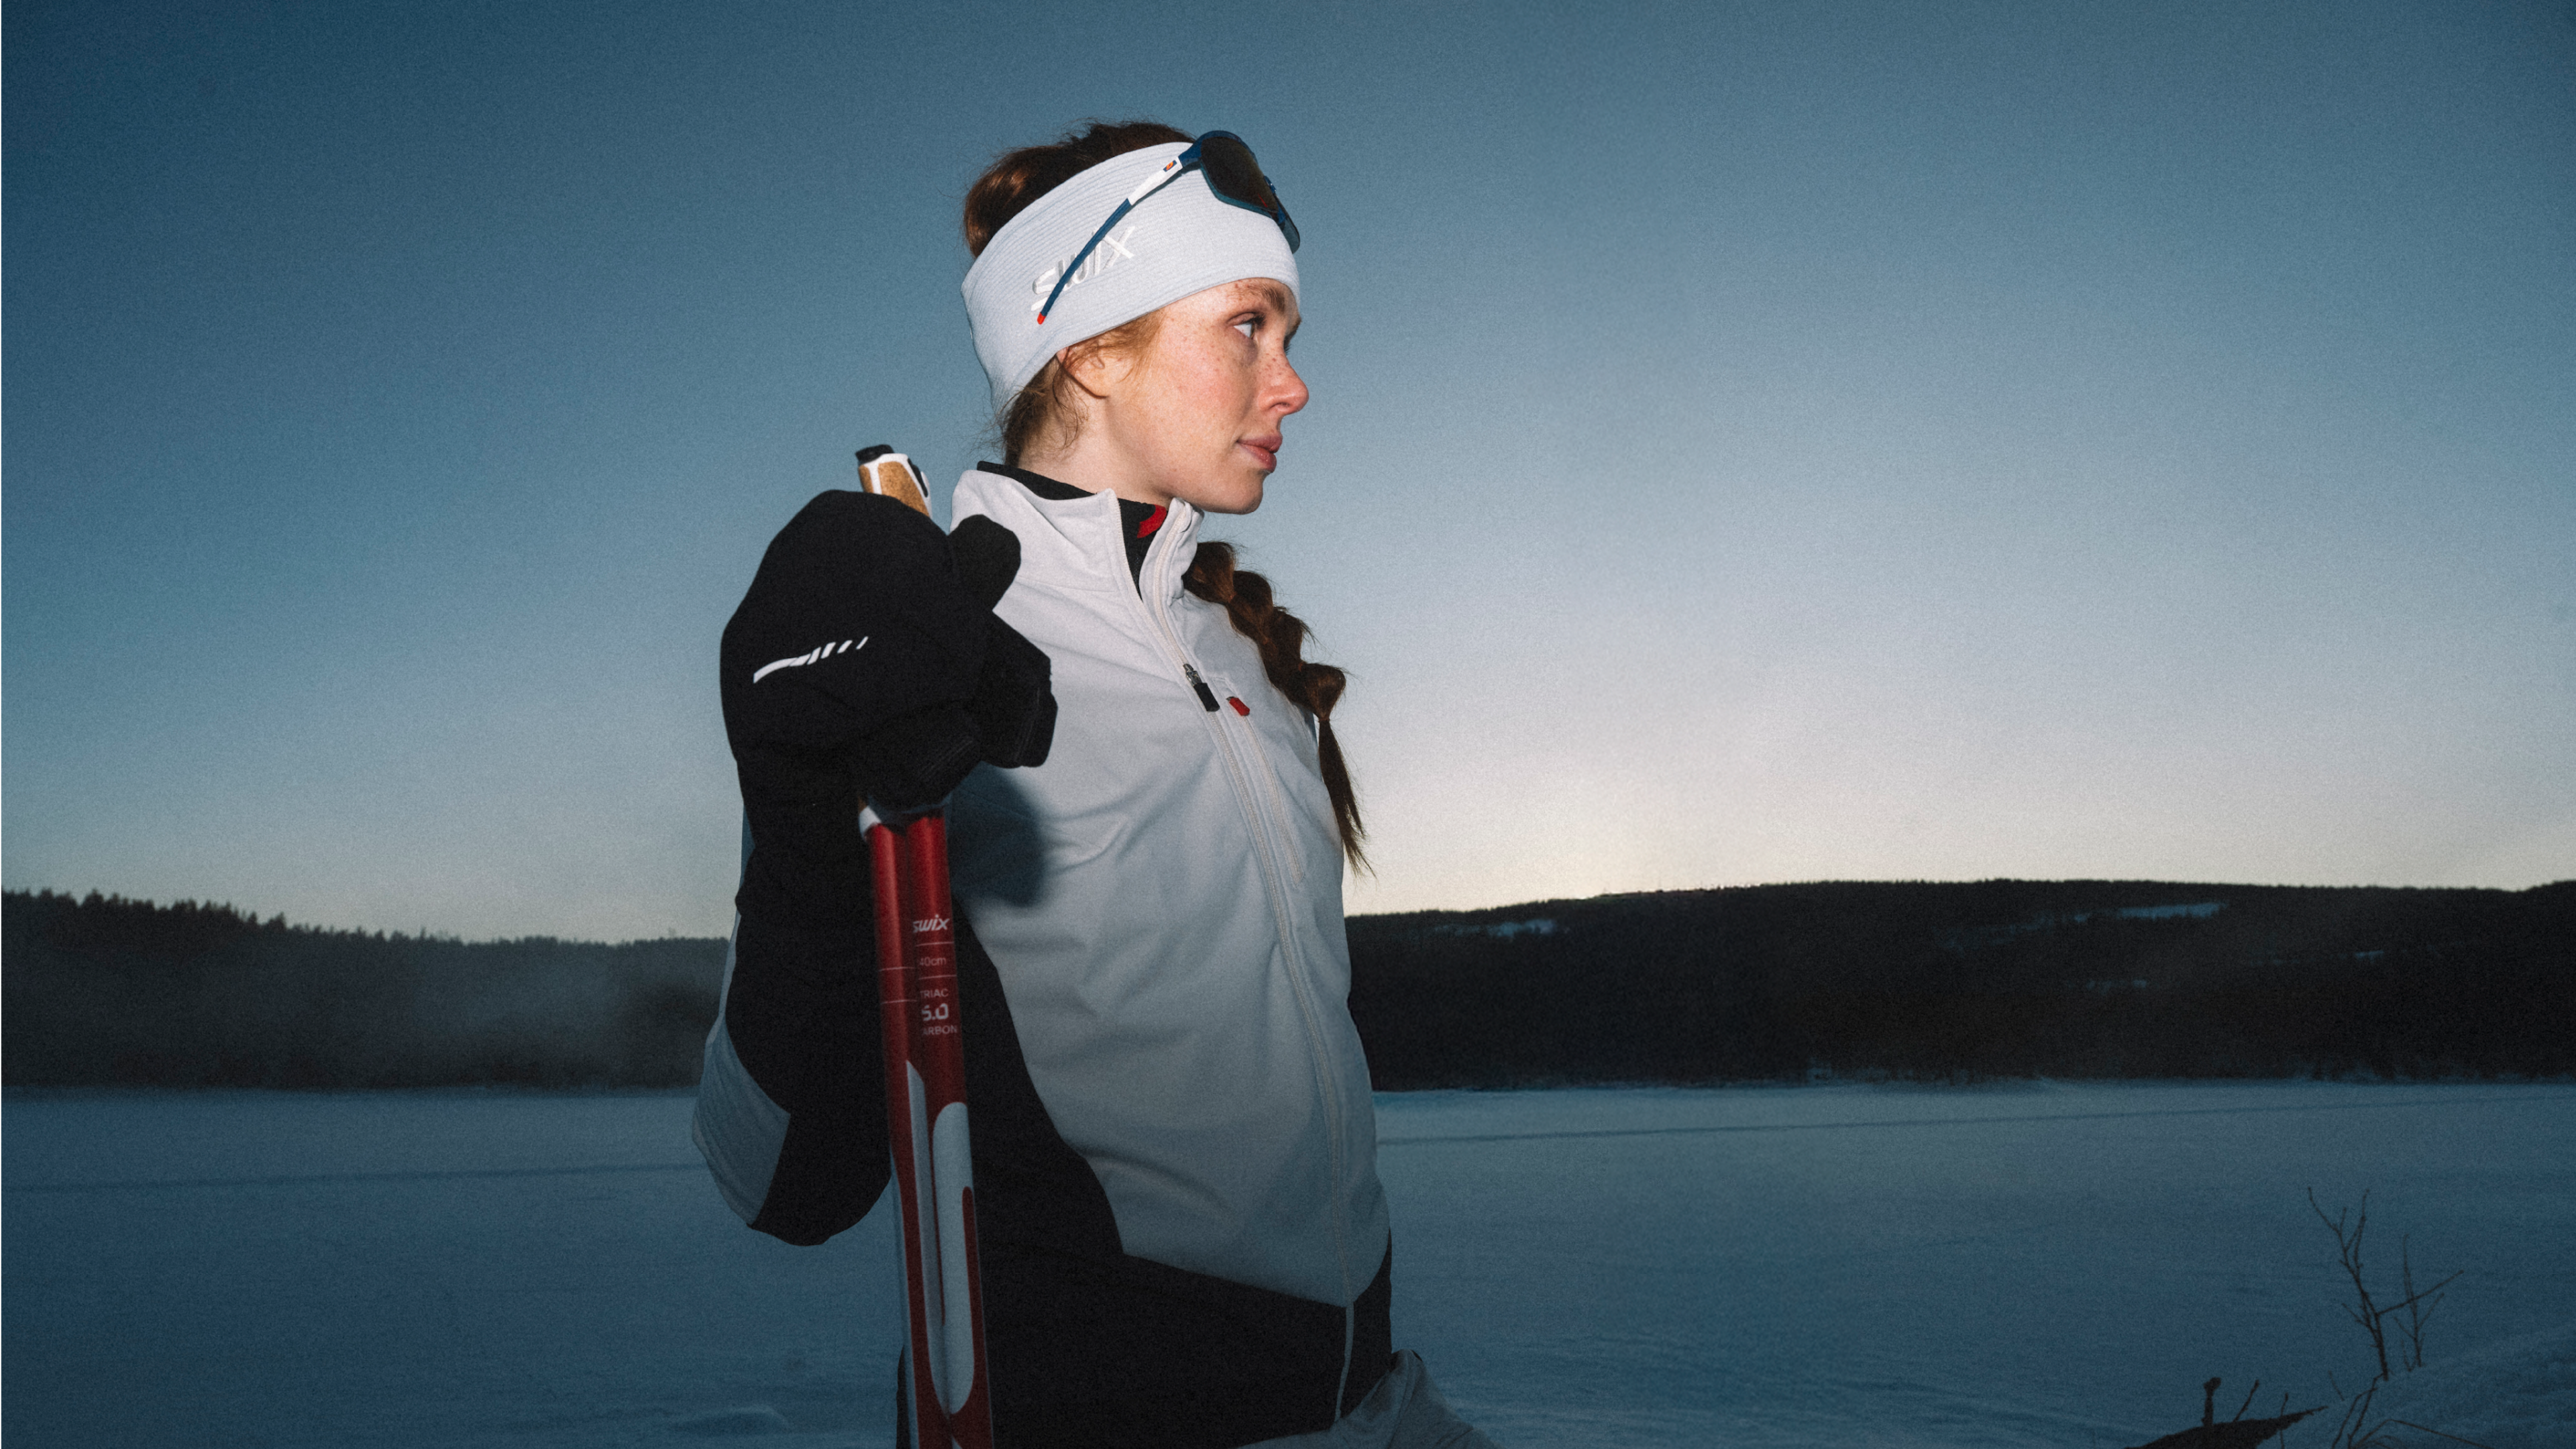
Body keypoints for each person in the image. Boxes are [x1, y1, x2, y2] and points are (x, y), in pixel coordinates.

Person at [694, 119, 1496, 1448]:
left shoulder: (1245, 656)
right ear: (1091, 349)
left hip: (1371, 1405)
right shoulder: (932, 639)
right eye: (1250, 324)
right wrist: (793, 805)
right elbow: (780, 1176)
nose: (1292, 385)